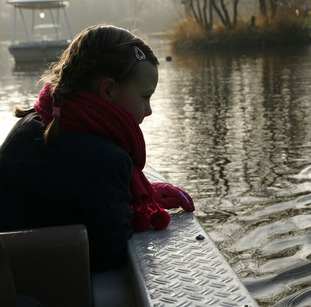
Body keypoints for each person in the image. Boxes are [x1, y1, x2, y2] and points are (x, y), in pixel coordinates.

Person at [0, 24, 194, 271]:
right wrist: (134, 201)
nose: (149, 110)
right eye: (145, 96)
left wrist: (135, 191)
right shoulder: (107, 162)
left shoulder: (31, 123)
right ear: (108, 91)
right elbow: (112, 252)